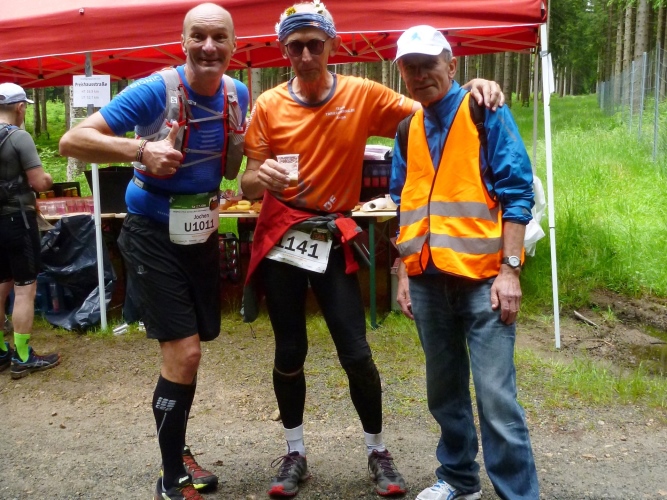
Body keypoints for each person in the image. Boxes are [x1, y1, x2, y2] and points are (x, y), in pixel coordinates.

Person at [240, 3, 503, 497]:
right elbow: (248, 181)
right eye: (295, 47)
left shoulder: (361, 93)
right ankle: (294, 452)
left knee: (356, 351)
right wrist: (262, 177)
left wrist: (473, 88)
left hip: (332, 233)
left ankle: (377, 451)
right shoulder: (268, 105)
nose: (305, 55)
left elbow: (432, 105)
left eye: (314, 44)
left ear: (332, 46)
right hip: (283, 235)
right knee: (289, 349)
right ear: (283, 50)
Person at [58, 4, 249, 499]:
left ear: (234, 45)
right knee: (183, 352)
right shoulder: (155, 90)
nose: (209, 47)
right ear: (182, 41)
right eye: (198, 36)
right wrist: (140, 150)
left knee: (192, 352)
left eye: (219, 38)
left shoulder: (237, 93)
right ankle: (171, 478)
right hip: (150, 232)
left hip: (201, 233)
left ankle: (177, 449)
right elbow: (72, 141)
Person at [391, 26, 540, 500]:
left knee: (496, 399)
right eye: (410, 67)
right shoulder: (407, 129)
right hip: (427, 282)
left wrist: (510, 271)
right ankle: (458, 480)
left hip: (484, 281)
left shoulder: (484, 109)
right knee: (444, 392)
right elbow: (403, 204)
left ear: (451, 66)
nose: (419, 75)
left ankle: (519, 493)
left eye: (428, 65)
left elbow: (517, 192)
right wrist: (403, 274)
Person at [0, 82, 61, 380]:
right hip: (17, 222)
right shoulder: (18, 137)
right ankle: (23, 356)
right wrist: (47, 178)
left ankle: (1, 351)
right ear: (20, 107)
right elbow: (39, 182)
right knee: (24, 288)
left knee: (0, 285)